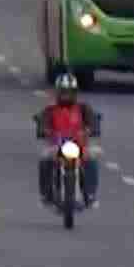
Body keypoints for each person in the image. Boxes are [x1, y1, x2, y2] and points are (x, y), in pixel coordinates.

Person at [33, 72, 103, 207]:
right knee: (45, 159)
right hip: (56, 146)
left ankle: (90, 193)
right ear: (58, 92)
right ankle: (45, 193)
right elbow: (42, 122)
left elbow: (93, 120)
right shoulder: (50, 110)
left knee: (91, 158)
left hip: (79, 145)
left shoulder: (83, 108)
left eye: (69, 92)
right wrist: (44, 130)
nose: (66, 95)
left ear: (75, 93)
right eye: (63, 92)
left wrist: (91, 129)